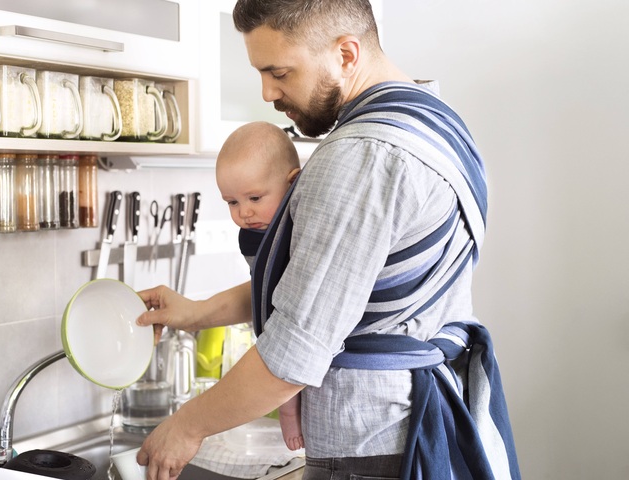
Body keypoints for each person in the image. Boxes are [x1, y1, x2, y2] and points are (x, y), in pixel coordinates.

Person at [135, 1, 521, 480]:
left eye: (279, 72)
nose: (267, 92)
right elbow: (329, 288)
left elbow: (293, 355)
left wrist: (187, 425)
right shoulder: (437, 123)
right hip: (419, 421)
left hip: (373, 445)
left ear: (345, 53)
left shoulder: (360, 157)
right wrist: (195, 313)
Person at [216, 121, 303, 451]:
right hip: (270, 324)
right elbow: (260, 282)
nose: (244, 213)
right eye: (232, 202)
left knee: (289, 376)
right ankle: (288, 409)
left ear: (293, 183)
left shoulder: (300, 224)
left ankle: (290, 413)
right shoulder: (251, 234)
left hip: (295, 328)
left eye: (254, 197)